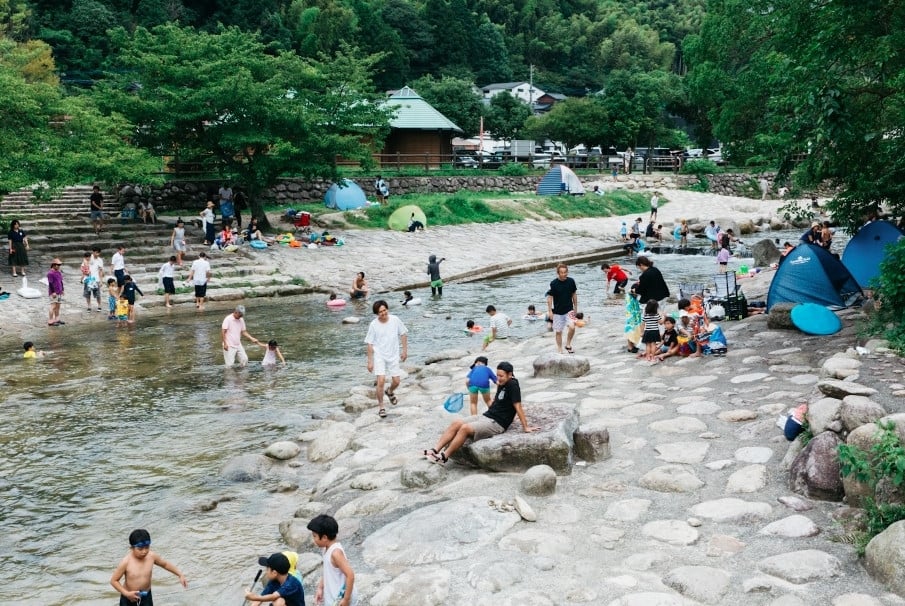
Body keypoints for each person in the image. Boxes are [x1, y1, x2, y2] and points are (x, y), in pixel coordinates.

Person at [423, 361, 539, 465]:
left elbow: (517, 405)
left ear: (510, 374)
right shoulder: (501, 383)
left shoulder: (513, 385)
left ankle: (444, 457)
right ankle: (435, 450)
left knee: (465, 428)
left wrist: (525, 426)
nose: (498, 378)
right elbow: (499, 401)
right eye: (497, 375)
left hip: (497, 423)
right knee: (456, 422)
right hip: (487, 416)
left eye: (501, 376)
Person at [110, 529, 187, 605]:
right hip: (128, 598)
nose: (144, 551)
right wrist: (126, 594)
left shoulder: (151, 556)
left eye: (147, 547)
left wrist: (180, 574)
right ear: (132, 548)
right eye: (140, 549)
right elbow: (114, 581)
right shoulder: (126, 562)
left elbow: (165, 564)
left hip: (146, 597)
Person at [365, 299, 408, 418]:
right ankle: (381, 407)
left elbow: (403, 334)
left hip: (393, 355)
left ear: (387, 309)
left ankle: (389, 392)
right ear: (377, 314)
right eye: (380, 312)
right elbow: (369, 343)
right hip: (379, 355)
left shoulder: (395, 320)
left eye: (384, 310)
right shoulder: (373, 325)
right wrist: (370, 361)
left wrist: (404, 351)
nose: (383, 313)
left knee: (397, 381)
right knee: (381, 380)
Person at [307, 514, 357, 606]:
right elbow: (327, 571)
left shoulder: (336, 553)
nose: (313, 539)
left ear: (325, 537)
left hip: (340, 596)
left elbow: (350, 575)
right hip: (333, 595)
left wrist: (346, 599)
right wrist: (320, 588)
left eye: (314, 536)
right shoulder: (326, 548)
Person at [546, 263, 578, 354]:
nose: (564, 274)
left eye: (565, 272)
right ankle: (560, 349)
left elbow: (574, 294)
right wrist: (550, 311)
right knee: (559, 332)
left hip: (569, 309)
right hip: (558, 312)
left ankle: (568, 345)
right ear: (558, 273)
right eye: (562, 272)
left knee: (572, 327)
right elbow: (549, 297)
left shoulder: (571, 281)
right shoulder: (553, 283)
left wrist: (575, 308)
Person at [84, 248, 104, 312]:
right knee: (87, 293)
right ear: (93, 252)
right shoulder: (88, 257)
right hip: (88, 279)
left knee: (98, 294)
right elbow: (83, 267)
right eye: (96, 252)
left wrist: (101, 281)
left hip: (96, 279)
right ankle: (89, 306)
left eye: (98, 253)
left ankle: (99, 305)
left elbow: (100, 271)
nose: (97, 254)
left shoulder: (100, 260)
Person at [46, 258, 64, 326]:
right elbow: (50, 283)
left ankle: (57, 319)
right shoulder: (50, 273)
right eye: (58, 265)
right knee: (53, 306)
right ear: (53, 265)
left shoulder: (58, 272)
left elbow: (61, 281)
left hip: (59, 292)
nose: (59, 266)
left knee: (58, 306)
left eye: (59, 265)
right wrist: (53, 292)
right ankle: (50, 321)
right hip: (54, 293)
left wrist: (62, 289)